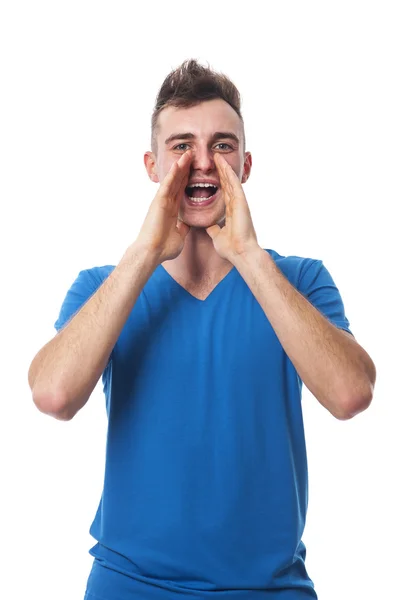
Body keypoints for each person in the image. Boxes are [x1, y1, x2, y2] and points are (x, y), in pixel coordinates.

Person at [28, 59, 376, 600]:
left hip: (269, 588)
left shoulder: (301, 279)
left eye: (221, 145)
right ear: (151, 164)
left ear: (246, 163)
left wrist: (247, 255)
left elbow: (352, 394)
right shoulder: (103, 285)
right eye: (181, 145)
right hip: (129, 584)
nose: (201, 162)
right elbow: (53, 395)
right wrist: (144, 253)